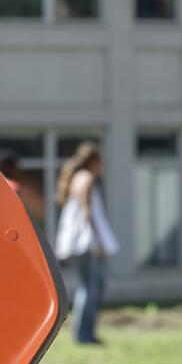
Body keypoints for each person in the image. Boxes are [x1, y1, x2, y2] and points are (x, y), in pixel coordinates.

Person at [51, 141, 117, 345]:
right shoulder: (86, 179)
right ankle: (84, 334)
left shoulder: (77, 178)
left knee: (87, 286)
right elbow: (87, 211)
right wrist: (97, 241)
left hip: (78, 242)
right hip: (85, 243)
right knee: (92, 287)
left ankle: (84, 333)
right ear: (93, 162)